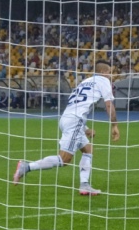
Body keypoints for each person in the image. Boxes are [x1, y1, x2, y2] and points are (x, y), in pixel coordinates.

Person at [13, 61, 120, 195]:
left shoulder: (84, 82)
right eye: (110, 72)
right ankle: (27, 167)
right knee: (64, 159)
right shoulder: (103, 81)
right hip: (75, 121)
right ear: (103, 72)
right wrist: (114, 125)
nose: (111, 75)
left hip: (67, 118)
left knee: (88, 149)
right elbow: (109, 105)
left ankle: (84, 185)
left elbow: (77, 106)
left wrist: (85, 129)